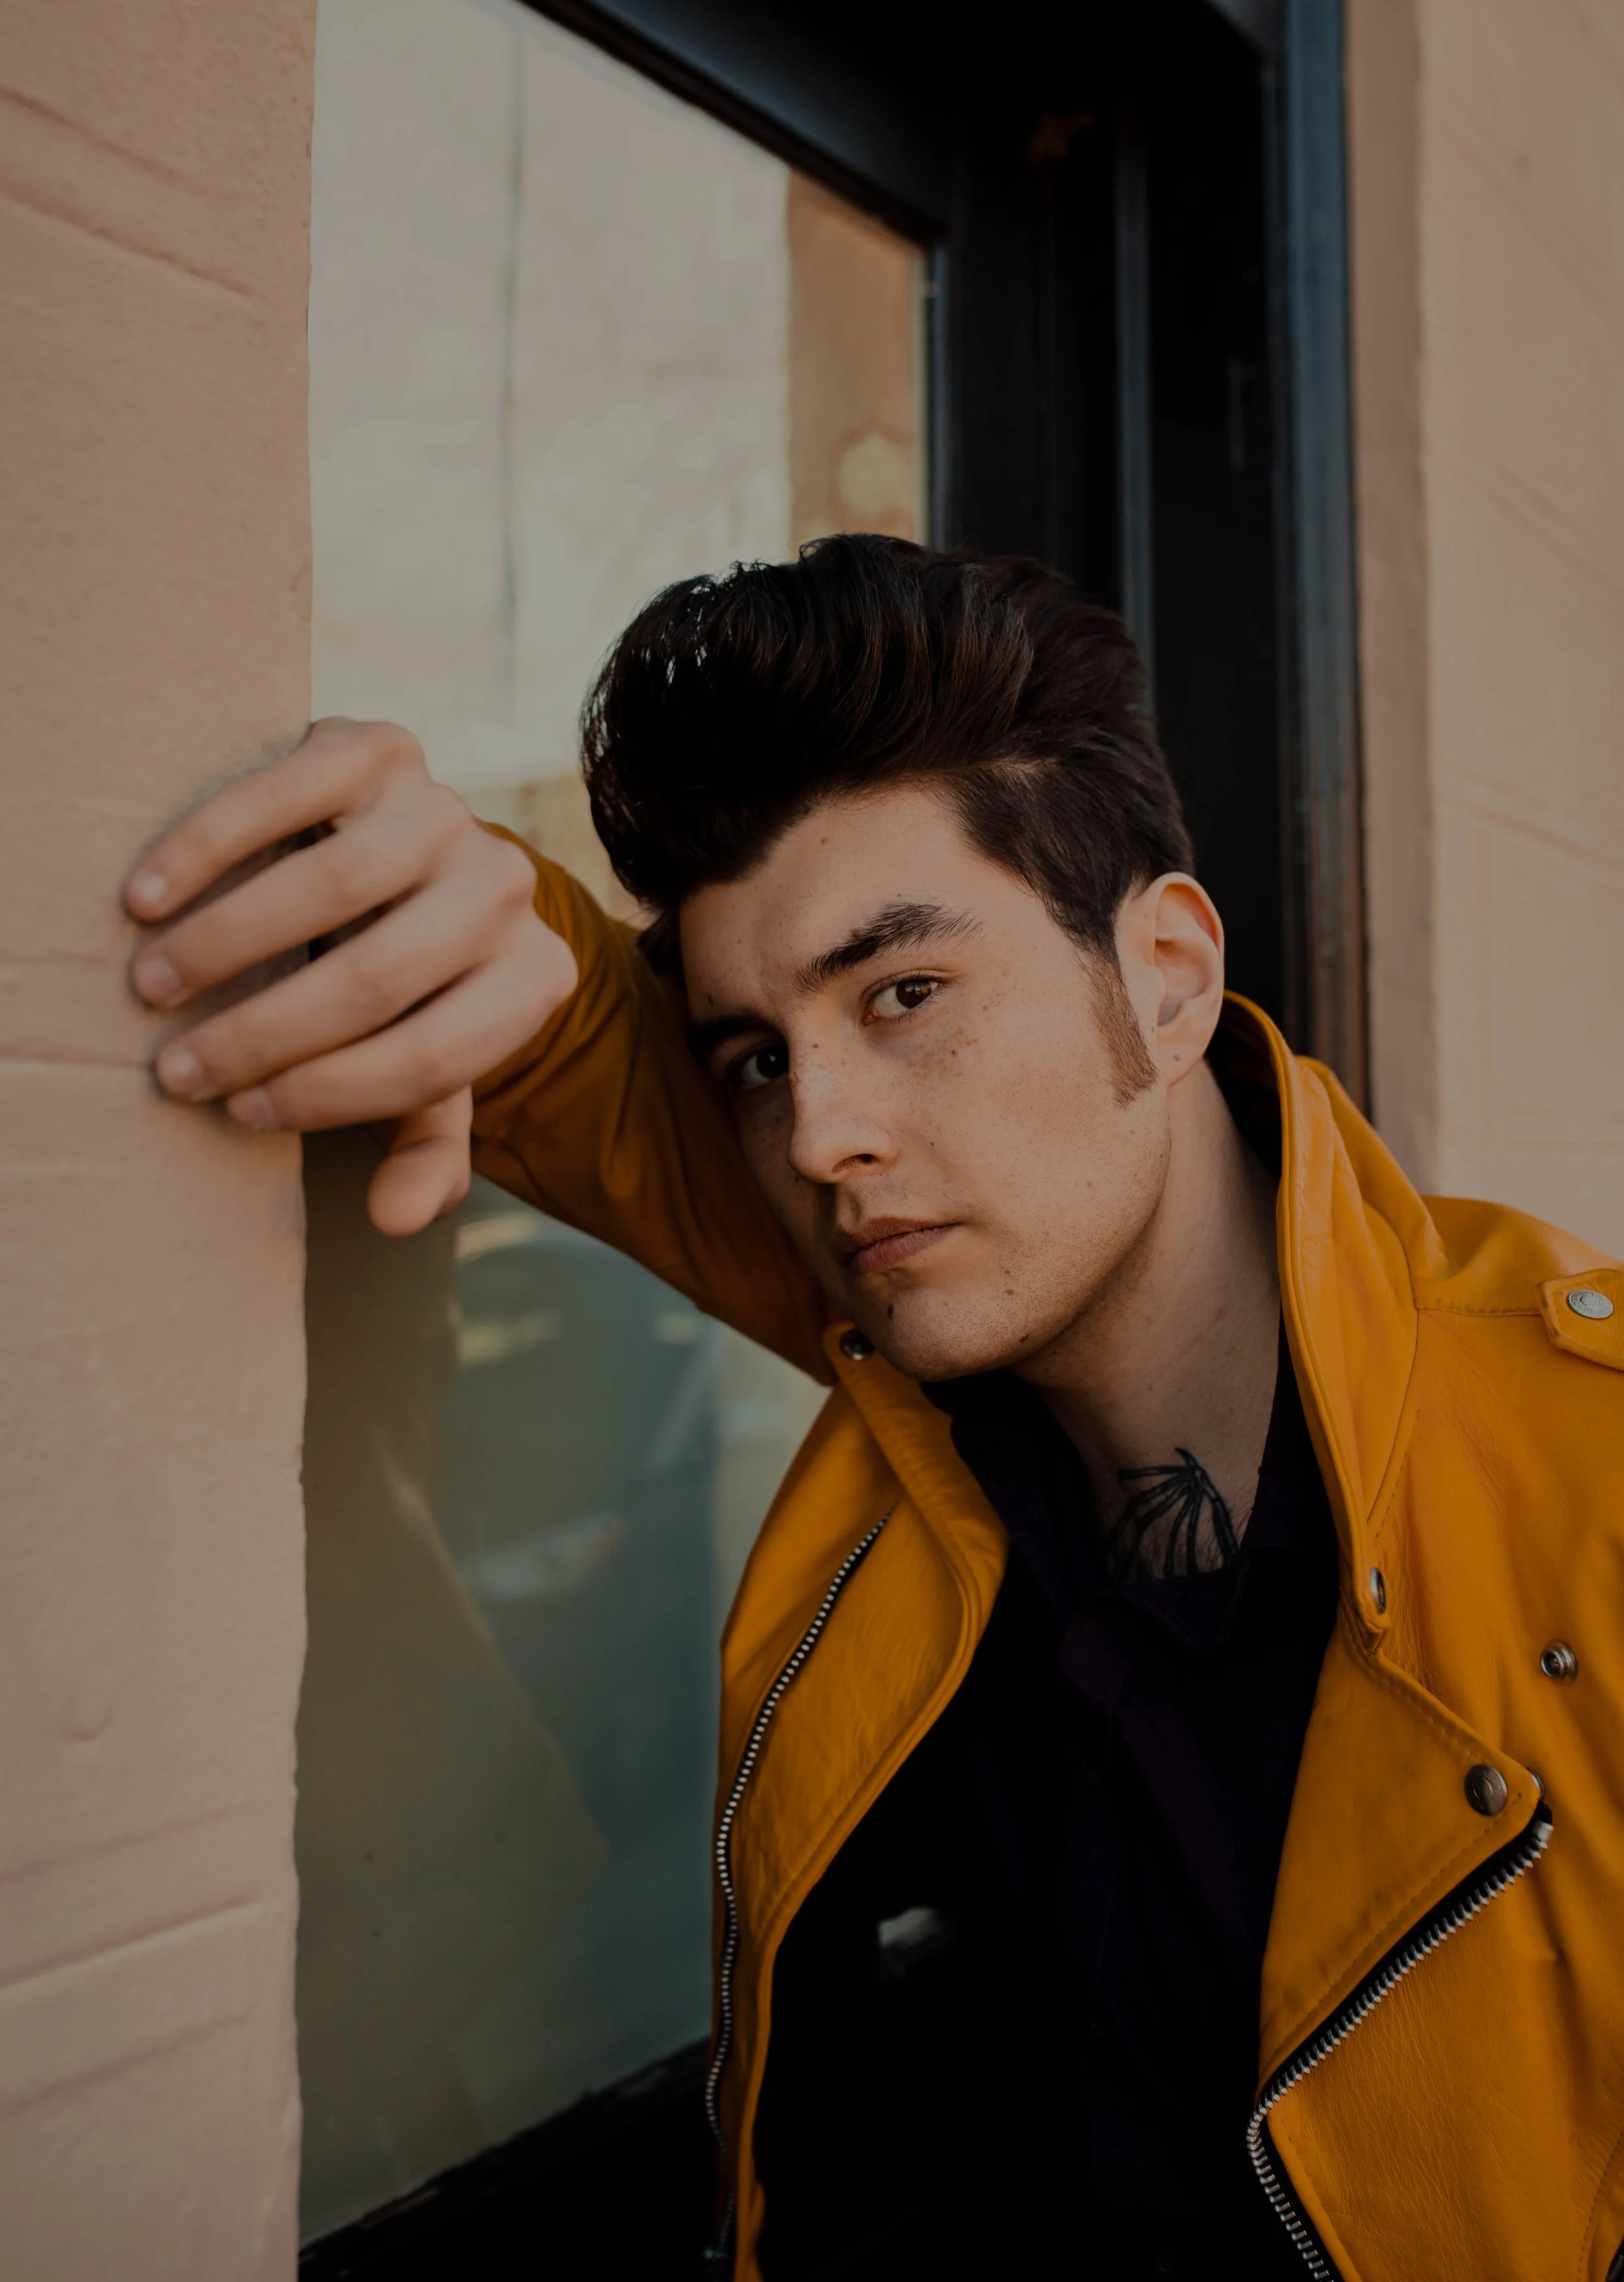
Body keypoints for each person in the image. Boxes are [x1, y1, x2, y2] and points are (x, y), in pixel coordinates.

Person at [125, 538, 1624, 2282]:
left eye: (903, 995)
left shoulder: (1580, 1475)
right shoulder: (913, 1319)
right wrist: (429, 883)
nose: (821, 1132)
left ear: (1162, 970)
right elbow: (563, 1040)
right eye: (756, 1054)